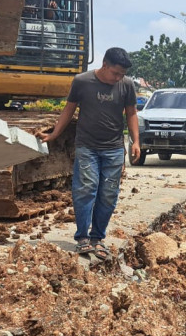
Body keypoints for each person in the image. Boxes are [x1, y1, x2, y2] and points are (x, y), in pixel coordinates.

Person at [39, 48, 139, 260]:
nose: (118, 78)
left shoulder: (127, 85)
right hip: (87, 147)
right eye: (115, 73)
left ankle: (97, 238)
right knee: (86, 189)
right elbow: (69, 109)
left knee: (109, 194)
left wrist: (136, 142)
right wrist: (55, 134)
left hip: (113, 149)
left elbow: (131, 113)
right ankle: (83, 238)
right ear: (104, 65)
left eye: (122, 74)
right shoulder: (82, 81)